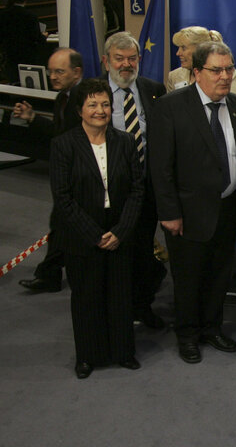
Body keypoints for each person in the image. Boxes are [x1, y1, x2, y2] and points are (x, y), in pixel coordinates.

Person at [149, 41, 236, 364]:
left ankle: (212, 328)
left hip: (227, 207)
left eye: (229, 69)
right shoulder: (171, 107)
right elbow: (160, 167)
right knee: (189, 278)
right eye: (216, 70)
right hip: (187, 214)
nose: (225, 76)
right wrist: (169, 213)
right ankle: (188, 335)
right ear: (196, 73)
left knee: (220, 274)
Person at [48, 78, 144, 378]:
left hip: (119, 231)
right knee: (87, 297)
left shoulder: (126, 142)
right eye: (92, 105)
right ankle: (88, 356)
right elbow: (62, 198)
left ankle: (123, 352)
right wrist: (95, 235)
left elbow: (137, 190)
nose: (100, 110)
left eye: (105, 104)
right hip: (82, 234)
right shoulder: (63, 145)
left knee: (119, 295)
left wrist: (120, 231)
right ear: (80, 110)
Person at [101, 31, 168, 328]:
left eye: (132, 58)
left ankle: (142, 307)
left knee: (143, 253)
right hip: (109, 194)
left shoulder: (153, 89)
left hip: (147, 190)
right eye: (119, 59)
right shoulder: (92, 94)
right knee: (114, 256)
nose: (126, 65)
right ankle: (114, 313)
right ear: (106, 62)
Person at [14, 48, 84, 293]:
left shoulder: (84, 99)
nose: (53, 76)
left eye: (59, 71)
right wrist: (33, 118)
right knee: (60, 225)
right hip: (67, 175)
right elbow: (60, 133)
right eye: (51, 71)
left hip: (82, 177)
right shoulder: (62, 98)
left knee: (64, 225)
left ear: (77, 72)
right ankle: (49, 274)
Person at [166, 26, 236, 96]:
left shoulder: (225, 73)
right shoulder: (174, 76)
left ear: (199, 49)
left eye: (183, 48)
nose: (178, 53)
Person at [0, 0, 47, 83]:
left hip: (11, 58)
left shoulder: (3, 15)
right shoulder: (30, 16)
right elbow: (36, 38)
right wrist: (44, 36)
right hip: (28, 58)